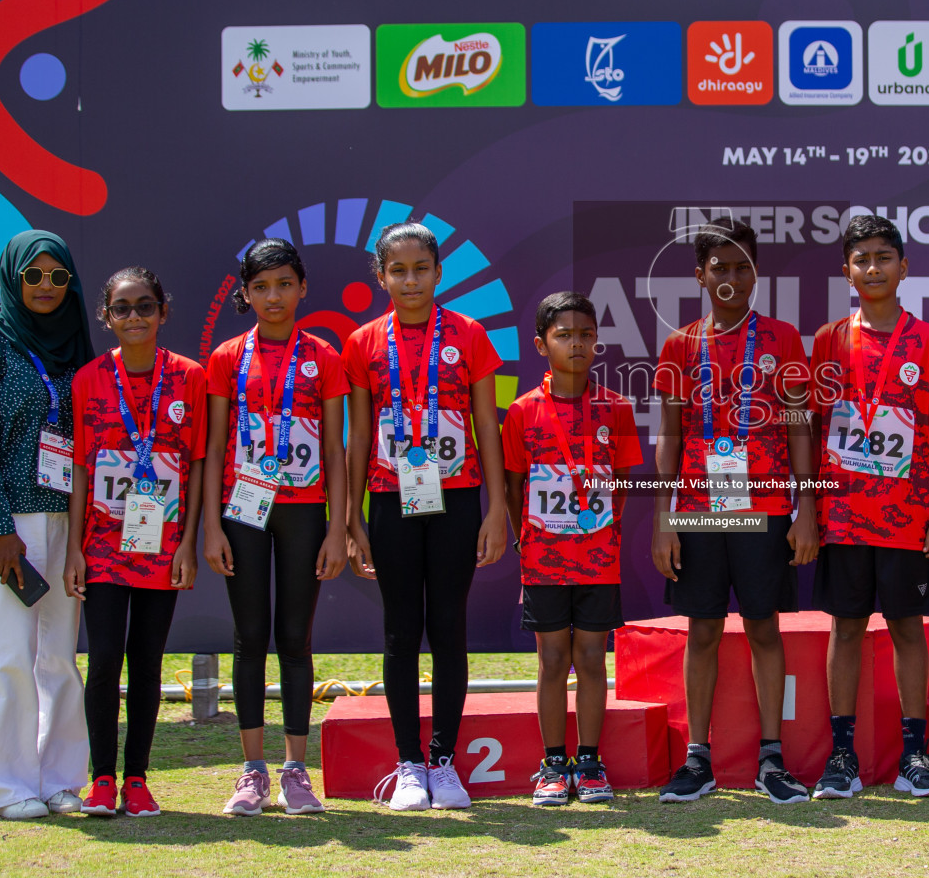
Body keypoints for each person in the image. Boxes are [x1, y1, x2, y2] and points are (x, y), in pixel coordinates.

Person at [651, 218, 816, 805]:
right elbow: (668, 436)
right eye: (718, 267)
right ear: (699, 275)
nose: (730, 277)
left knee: (764, 628)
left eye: (741, 266)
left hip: (767, 504)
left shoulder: (784, 339)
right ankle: (699, 759)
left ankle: (772, 757)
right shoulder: (678, 344)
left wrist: (807, 508)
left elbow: (800, 425)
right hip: (697, 508)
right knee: (702, 630)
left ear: (756, 272)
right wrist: (663, 518)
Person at [344, 222, 507, 812]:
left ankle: (444, 761)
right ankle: (408, 762)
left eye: (421, 269)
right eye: (398, 270)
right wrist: (353, 519)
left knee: (449, 628)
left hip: (457, 498)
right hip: (390, 500)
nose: (410, 280)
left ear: (439, 273)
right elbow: (359, 433)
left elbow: (487, 425)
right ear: (380, 276)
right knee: (399, 632)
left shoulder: (468, 334)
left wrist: (495, 509)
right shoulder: (363, 342)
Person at [809, 214, 929, 799]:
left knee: (906, 628)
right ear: (846, 270)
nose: (873, 268)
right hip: (842, 516)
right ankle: (841, 756)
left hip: (909, 517)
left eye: (883, 257)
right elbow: (810, 428)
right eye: (861, 258)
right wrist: (806, 508)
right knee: (845, 629)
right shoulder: (827, 340)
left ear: (904, 267)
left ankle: (915, 756)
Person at [202, 239, 350, 815]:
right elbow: (214, 448)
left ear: (302, 287)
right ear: (246, 293)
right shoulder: (225, 357)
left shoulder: (324, 357)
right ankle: (251, 771)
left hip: (303, 509)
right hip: (242, 507)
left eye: (284, 284)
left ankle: (295, 770)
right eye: (260, 287)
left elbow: (336, 451)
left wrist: (338, 527)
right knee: (249, 638)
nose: (273, 297)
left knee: (294, 637)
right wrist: (210, 527)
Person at [0, 230, 95, 819]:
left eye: (57, 276)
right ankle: (7, 786)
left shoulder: (74, 344)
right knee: (11, 650)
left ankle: (61, 779)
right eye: (33, 275)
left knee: (59, 654)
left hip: (65, 516)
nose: (44, 286)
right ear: (13, 277)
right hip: (6, 523)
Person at [64, 267, 207, 817]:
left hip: (163, 547)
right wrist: (75, 547)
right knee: (103, 662)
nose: (134, 317)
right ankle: (102, 779)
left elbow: (195, 466)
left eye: (145, 306)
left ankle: (138, 780)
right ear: (107, 317)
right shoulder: (88, 379)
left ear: (163, 312)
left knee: (146, 664)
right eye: (121, 309)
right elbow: (80, 469)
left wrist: (187, 543)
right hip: (102, 546)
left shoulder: (188, 377)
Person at [502, 293, 642, 806]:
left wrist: (600, 529)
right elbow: (515, 485)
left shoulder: (615, 407)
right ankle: (553, 765)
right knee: (551, 661)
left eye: (585, 334)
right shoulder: (522, 412)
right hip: (542, 558)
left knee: (590, 657)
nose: (576, 344)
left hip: (599, 557)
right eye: (564, 335)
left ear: (597, 343)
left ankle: (590, 761)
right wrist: (529, 536)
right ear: (542, 345)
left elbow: (623, 480)